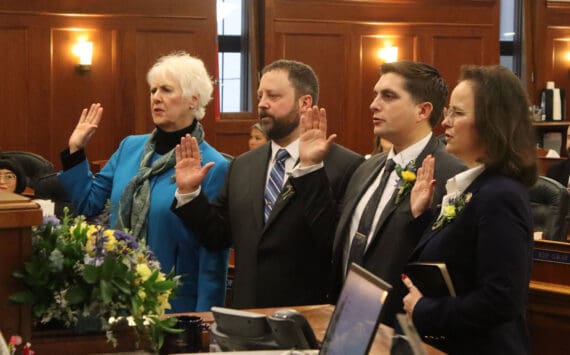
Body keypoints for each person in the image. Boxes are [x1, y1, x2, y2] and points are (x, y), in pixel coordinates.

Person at [172, 59, 363, 308]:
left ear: (305, 103)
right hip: (246, 314)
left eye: (273, 96)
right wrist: (189, 194)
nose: (262, 103)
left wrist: (310, 170)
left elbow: (335, 245)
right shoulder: (242, 165)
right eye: (260, 95)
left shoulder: (346, 166)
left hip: (306, 320)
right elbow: (216, 236)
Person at [57, 51, 230, 313]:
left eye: (167, 90)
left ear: (193, 100)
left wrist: (206, 318)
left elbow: (213, 256)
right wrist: (75, 151)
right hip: (117, 295)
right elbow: (87, 204)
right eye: (153, 90)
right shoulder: (130, 148)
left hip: (174, 305)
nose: (156, 97)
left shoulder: (213, 166)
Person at [402, 65, 537, 354]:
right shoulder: (476, 186)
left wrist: (425, 310)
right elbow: (458, 259)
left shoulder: (501, 195)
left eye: (458, 113)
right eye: (449, 112)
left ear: (492, 122)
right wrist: (421, 217)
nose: (445, 123)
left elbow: (501, 299)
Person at [323, 61, 466, 327]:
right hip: (346, 323)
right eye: (376, 95)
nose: (374, 104)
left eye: (388, 96)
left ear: (422, 110)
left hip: (402, 328)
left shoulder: (452, 176)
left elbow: (450, 266)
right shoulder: (366, 169)